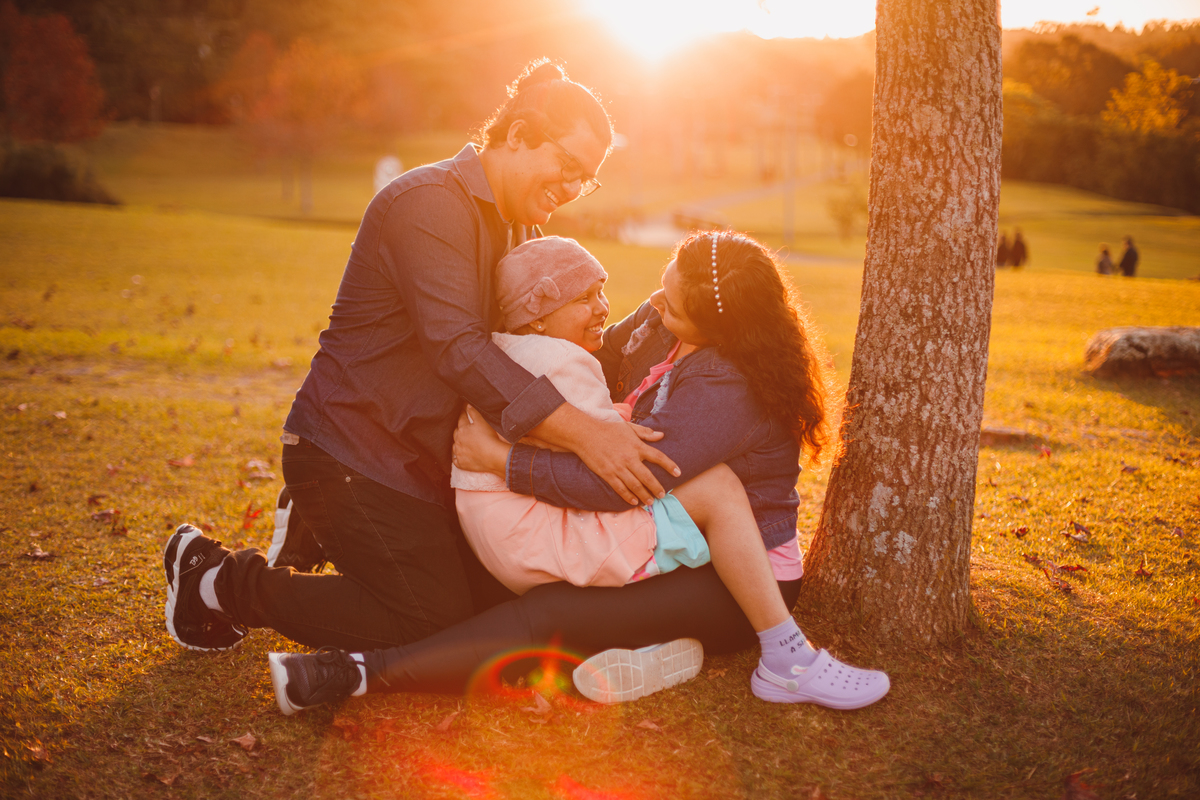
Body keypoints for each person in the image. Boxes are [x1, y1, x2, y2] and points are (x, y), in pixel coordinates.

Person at [162, 60, 680, 655]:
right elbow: (460, 350)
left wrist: (666, 313)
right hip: (354, 451)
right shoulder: (430, 204)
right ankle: (217, 580)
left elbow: (551, 346)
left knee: (493, 603)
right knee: (431, 621)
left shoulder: (518, 230)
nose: (569, 190)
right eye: (566, 167)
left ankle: (312, 528)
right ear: (517, 136)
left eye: (584, 180)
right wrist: (587, 436)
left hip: (428, 468)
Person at [266, 231, 891, 713]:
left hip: (735, 582)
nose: (652, 306)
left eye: (671, 307)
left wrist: (503, 461)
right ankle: (645, 654)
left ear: (720, 328)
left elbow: (613, 483)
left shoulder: (728, 386)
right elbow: (598, 347)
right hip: (669, 537)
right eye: (662, 285)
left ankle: (356, 675)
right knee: (483, 584)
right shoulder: (667, 323)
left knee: (545, 614)